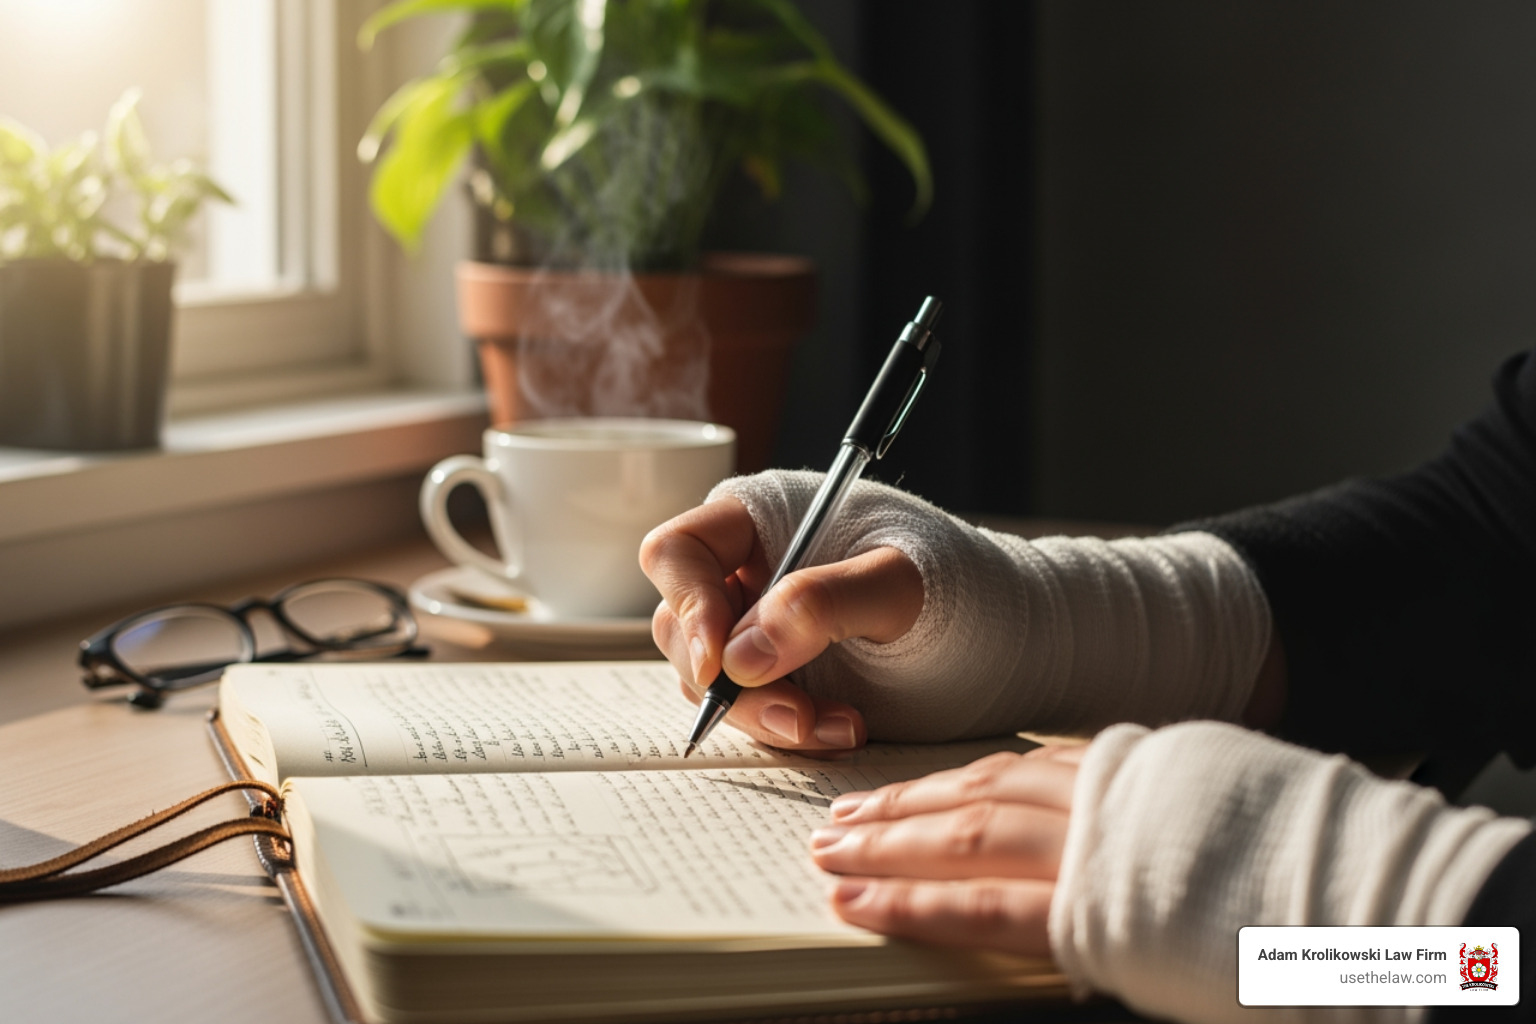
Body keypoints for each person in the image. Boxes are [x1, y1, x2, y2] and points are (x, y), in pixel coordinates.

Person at [638, 346, 1536, 1024]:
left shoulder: (1423, 945)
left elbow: (1485, 973)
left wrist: (1379, 915)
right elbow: (1498, 529)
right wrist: (1029, 625)